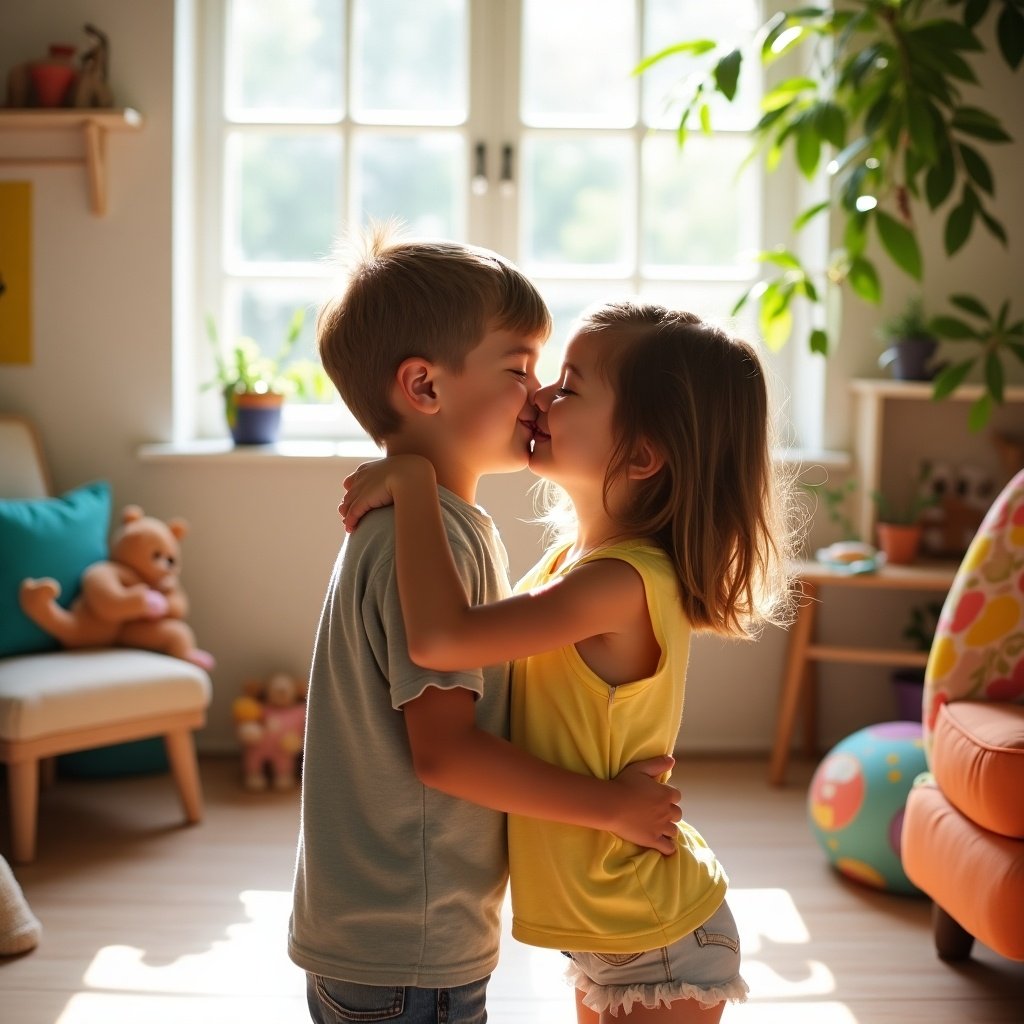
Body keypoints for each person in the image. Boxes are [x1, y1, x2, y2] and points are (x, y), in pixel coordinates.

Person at [340, 299, 799, 1023]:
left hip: (654, 933)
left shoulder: (618, 584)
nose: (540, 398)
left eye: (570, 386)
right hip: (610, 925)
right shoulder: (572, 566)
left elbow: (439, 640)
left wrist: (412, 480)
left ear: (643, 453)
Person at [289, 229, 683, 1024]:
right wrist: (608, 806)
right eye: (520, 370)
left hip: (386, 931)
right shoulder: (425, 537)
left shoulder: (431, 524)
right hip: (408, 938)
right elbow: (445, 752)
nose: (538, 397)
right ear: (425, 387)